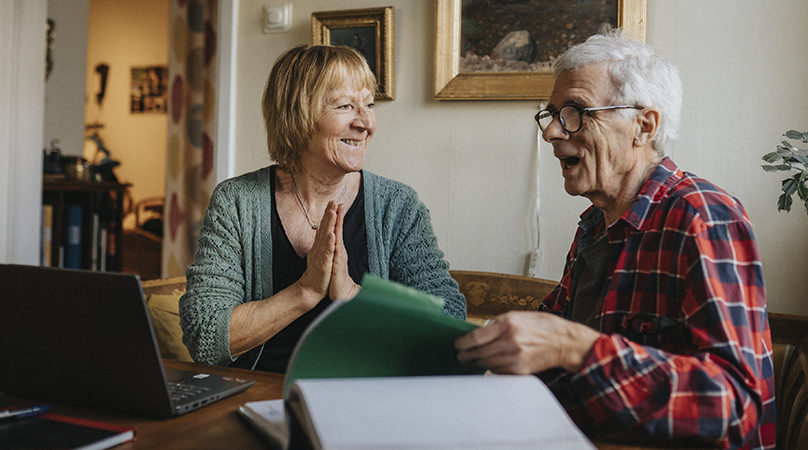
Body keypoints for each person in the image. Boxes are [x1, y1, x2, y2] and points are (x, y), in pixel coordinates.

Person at [455, 29, 775, 450]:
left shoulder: (703, 217)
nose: (551, 131)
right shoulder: (595, 222)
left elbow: (737, 406)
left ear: (643, 126)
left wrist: (577, 348)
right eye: (550, 114)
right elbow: (552, 349)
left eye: (575, 112)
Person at [180, 45, 465, 374]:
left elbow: (449, 320)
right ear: (297, 115)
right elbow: (205, 337)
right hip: (260, 396)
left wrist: (351, 296)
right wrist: (306, 290)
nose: (366, 123)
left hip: (368, 394)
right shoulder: (237, 201)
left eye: (369, 105)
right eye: (346, 106)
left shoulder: (397, 206)